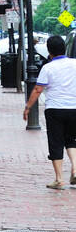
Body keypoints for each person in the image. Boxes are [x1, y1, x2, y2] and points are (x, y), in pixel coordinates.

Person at [23, 34, 76, 190]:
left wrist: (28, 107)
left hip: (55, 109)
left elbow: (38, 89)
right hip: (74, 108)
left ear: (49, 51)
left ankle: (59, 179)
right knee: (72, 139)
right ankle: (75, 168)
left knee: (56, 142)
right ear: (64, 48)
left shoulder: (48, 67)